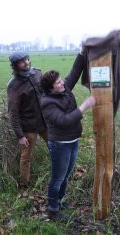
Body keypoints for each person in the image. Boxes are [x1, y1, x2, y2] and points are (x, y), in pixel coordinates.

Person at [39, 53, 96, 220]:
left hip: (72, 141)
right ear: (50, 88)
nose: (62, 82)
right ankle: (53, 210)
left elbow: (75, 71)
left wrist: (82, 52)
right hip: (60, 144)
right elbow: (63, 121)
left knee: (66, 175)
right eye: (58, 82)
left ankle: (60, 201)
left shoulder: (64, 89)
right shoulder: (47, 102)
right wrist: (85, 106)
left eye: (60, 80)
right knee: (57, 178)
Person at [7, 52, 48, 188]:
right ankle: (25, 184)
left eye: (26, 59)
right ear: (15, 66)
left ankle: (61, 173)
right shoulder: (14, 85)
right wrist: (20, 135)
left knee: (56, 147)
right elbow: (13, 113)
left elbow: (47, 92)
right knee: (26, 157)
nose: (26, 62)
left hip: (45, 122)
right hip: (28, 127)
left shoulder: (37, 73)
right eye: (21, 61)